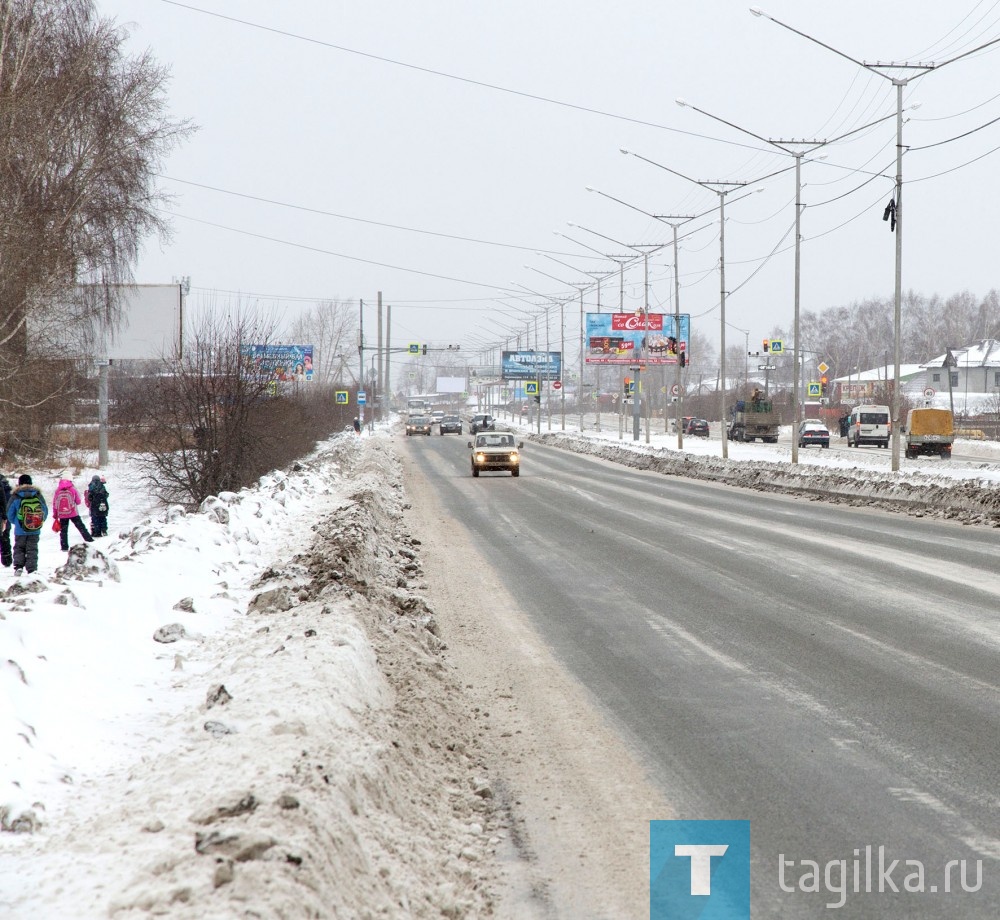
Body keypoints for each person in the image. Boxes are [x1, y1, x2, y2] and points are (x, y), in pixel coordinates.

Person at [6, 474, 48, 575]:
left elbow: (9, 513)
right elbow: (44, 511)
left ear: (19, 483)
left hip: (20, 528)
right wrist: (38, 521)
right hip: (35, 527)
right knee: (32, 548)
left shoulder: (16, 495)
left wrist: (17, 522)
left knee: (19, 547)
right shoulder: (37, 495)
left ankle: (19, 567)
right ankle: (32, 569)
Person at [52, 477, 94, 551]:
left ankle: (64, 547)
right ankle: (89, 539)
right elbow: (78, 502)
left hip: (62, 514)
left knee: (63, 531)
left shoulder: (58, 490)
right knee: (81, 527)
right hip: (73, 512)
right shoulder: (72, 489)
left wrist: (55, 514)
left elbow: (55, 503)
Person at [0, 474, 12, 567]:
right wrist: (5, 516)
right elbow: (5, 502)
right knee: (5, 538)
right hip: (3, 516)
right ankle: (7, 559)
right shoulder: (7, 489)